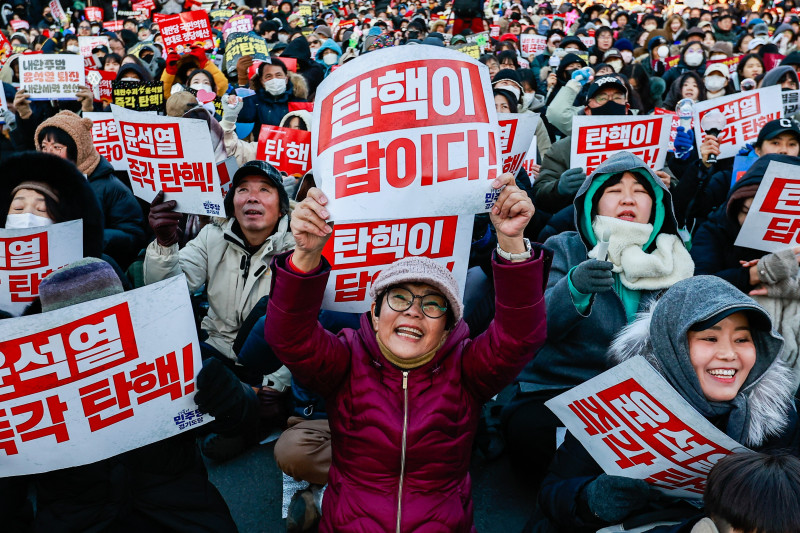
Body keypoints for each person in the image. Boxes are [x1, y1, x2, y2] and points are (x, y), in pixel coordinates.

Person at [262, 171, 550, 532]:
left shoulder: (467, 369)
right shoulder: (346, 359)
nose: (413, 310)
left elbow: (520, 337)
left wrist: (511, 243)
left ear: (447, 327)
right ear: (375, 312)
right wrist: (305, 256)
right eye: (399, 297)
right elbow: (288, 336)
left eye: (433, 304)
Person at [532, 275, 800, 532]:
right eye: (710, 338)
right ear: (673, 344)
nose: (729, 354)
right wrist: (590, 500)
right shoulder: (618, 401)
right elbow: (552, 492)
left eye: (742, 340)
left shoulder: (780, 419)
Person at [0, 258, 239, 533]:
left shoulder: (169, 349)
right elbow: (8, 496)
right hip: (80, 522)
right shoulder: (26, 393)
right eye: (74, 328)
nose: (90, 339)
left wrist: (231, 394)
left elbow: (241, 419)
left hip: (179, 513)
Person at [505, 152, 693, 493]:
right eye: (614, 190)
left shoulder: (675, 258)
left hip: (641, 396)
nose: (627, 198)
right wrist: (573, 288)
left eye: (640, 190)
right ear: (593, 202)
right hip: (562, 386)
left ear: (656, 205)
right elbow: (535, 327)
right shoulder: (562, 247)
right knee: (528, 432)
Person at [32, 111, 146, 269]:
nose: (48, 154)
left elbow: (135, 235)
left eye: (57, 147)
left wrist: (92, 239)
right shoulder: (39, 184)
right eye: (44, 147)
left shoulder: (111, 187)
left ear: (78, 150)